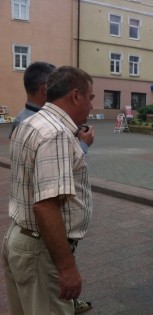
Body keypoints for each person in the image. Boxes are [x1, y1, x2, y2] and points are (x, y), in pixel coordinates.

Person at [3, 66, 95, 314]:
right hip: (40, 251)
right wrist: (66, 268)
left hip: (23, 239)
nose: (92, 105)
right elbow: (45, 206)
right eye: (91, 97)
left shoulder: (31, 122)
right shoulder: (56, 133)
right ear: (76, 95)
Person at [9, 61, 94, 156]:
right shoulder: (52, 131)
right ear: (45, 89)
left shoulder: (22, 119)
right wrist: (83, 145)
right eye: (56, 84)